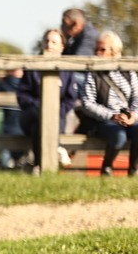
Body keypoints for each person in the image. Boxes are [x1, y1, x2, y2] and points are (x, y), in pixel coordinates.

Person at [15, 29, 77, 171]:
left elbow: (70, 98)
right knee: (39, 116)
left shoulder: (68, 70)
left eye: (54, 42)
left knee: (39, 126)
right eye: (46, 41)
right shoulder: (32, 66)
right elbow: (22, 96)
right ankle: (57, 148)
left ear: (61, 47)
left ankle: (39, 166)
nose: (49, 45)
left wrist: (55, 111)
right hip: (30, 115)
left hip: (56, 117)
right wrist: (41, 107)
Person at [78, 30, 138, 176]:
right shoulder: (93, 74)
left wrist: (133, 115)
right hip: (103, 121)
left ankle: (134, 170)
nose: (98, 53)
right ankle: (107, 168)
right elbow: (87, 103)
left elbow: (137, 97)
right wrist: (112, 116)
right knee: (119, 135)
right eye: (96, 49)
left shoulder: (128, 72)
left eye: (103, 49)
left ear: (114, 52)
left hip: (128, 118)